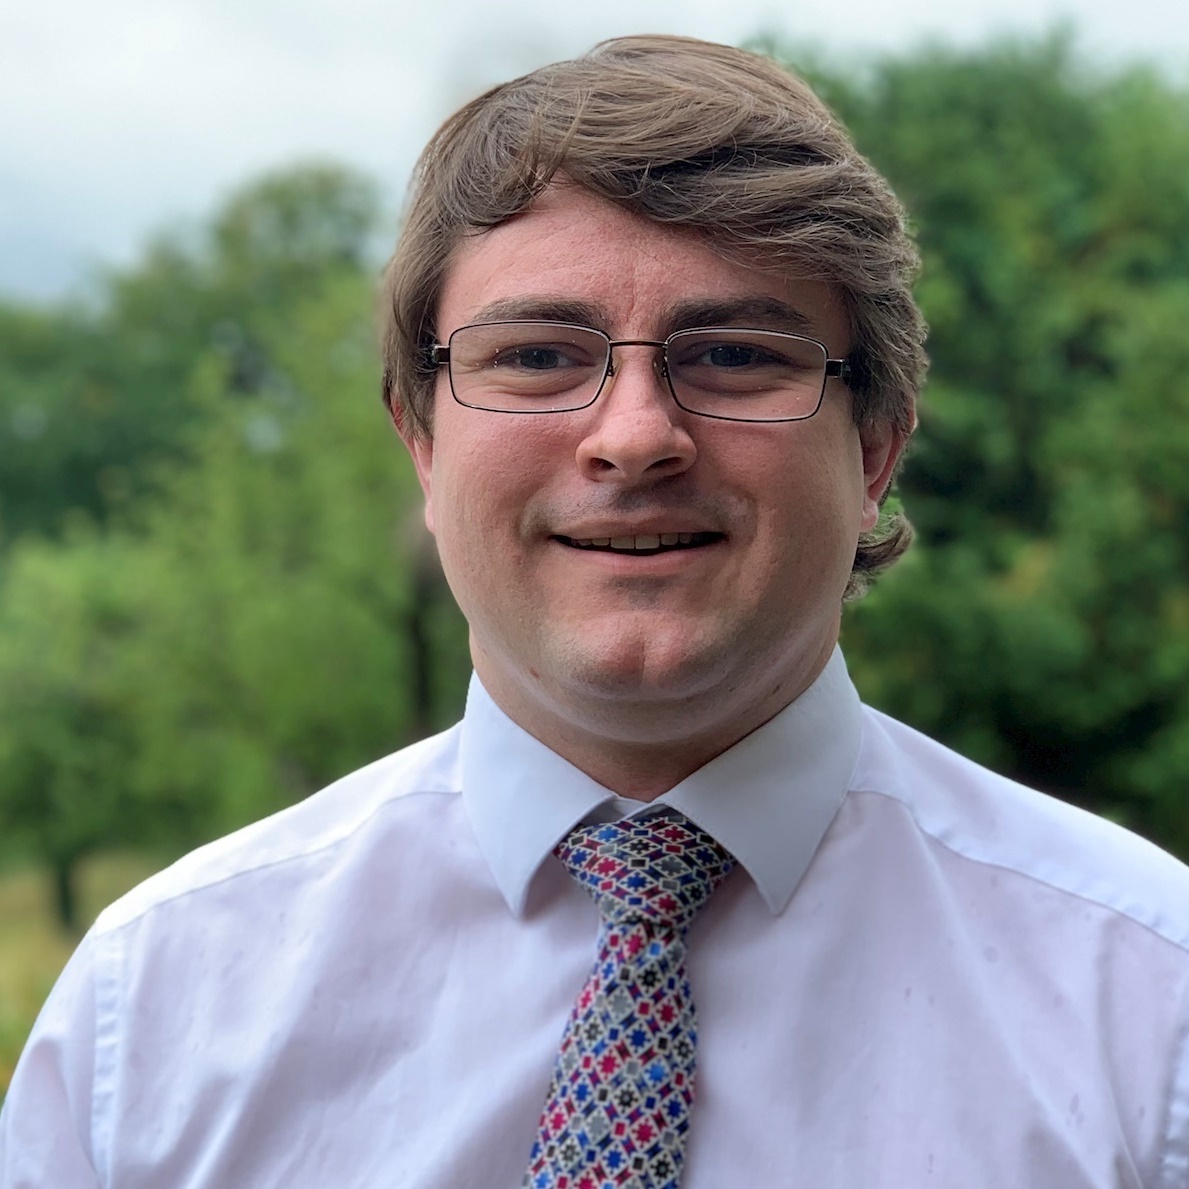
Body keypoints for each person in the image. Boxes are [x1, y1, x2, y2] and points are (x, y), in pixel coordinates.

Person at [3, 34, 1188, 1189]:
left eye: (732, 354)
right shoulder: (149, 1017)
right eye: (536, 356)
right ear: (422, 442)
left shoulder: (1149, 1010)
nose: (632, 437)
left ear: (874, 447)